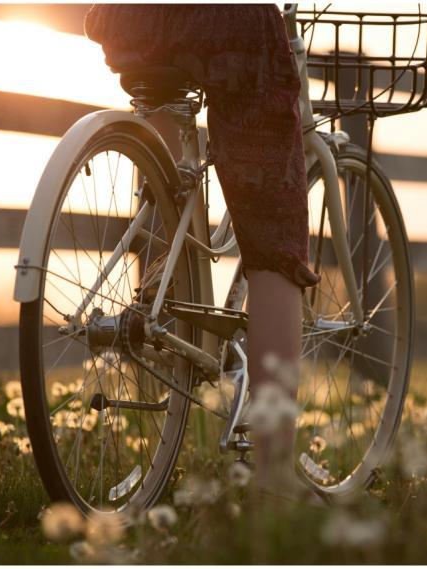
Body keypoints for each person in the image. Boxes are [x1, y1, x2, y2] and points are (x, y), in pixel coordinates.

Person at [84, 4, 320, 499]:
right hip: (228, 23)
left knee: (166, 178)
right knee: (275, 238)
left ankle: (164, 308)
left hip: (130, 19)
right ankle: (274, 480)